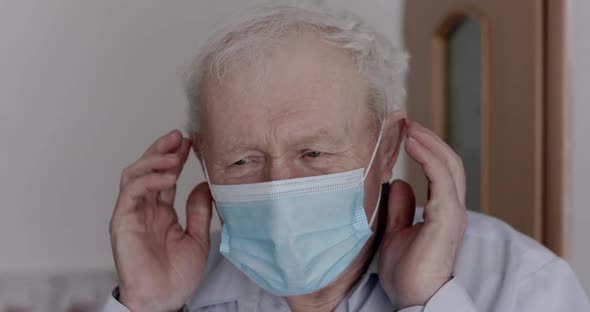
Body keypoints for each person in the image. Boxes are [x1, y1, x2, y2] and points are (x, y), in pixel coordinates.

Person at [102, 2, 590, 311]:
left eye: (313, 153)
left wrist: (430, 299)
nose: (279, 189)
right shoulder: (177, 284)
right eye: (242, 161)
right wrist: (145, 306)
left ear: (388, 150)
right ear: (203, 162)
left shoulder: (520, 281)